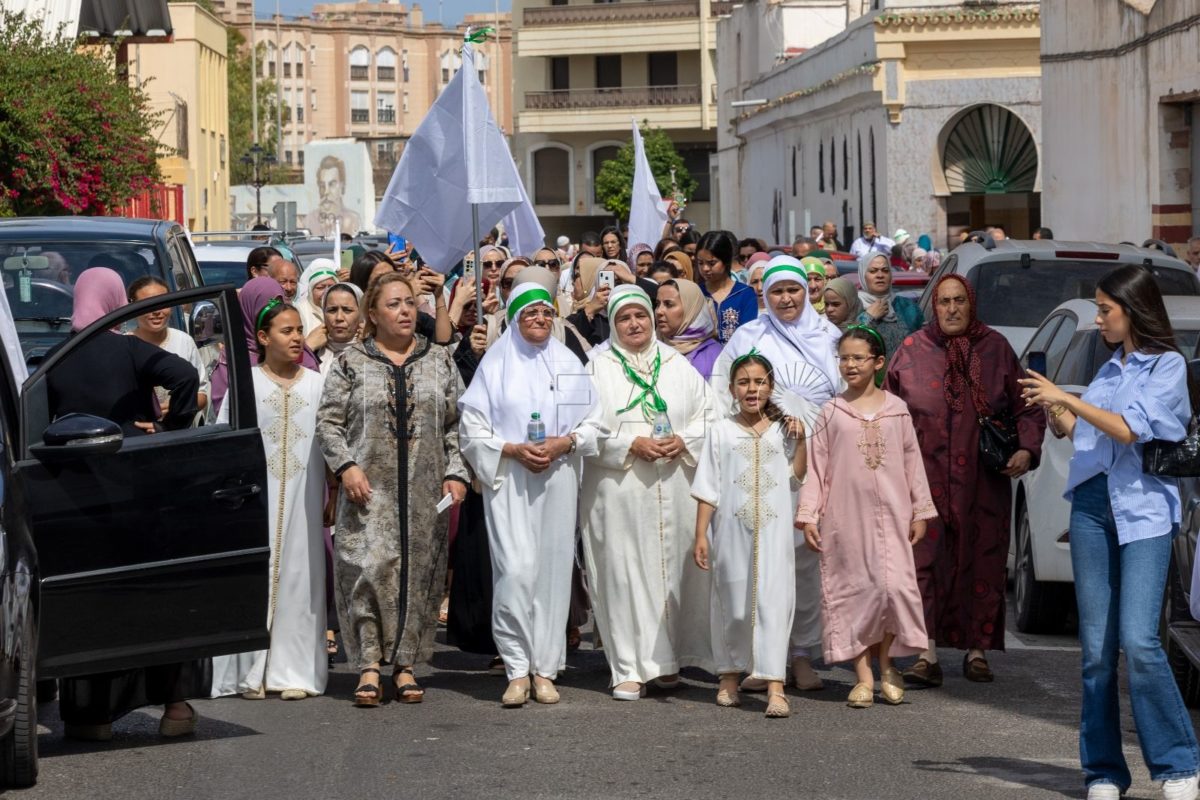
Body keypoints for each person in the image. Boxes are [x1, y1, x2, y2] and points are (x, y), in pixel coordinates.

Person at [1019, 264, 1200, 800]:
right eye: (1097, 309)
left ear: (1133, 309)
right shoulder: (1108, 368)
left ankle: (1177, 766)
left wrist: (1069, 398)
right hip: (1093, 509)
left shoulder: (1166, 366)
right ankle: (1102, 772)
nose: (1098, 320)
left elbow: (1128, 430)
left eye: (1105, 310)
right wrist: (1058, 411)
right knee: (1096, 651)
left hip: (1143, 511)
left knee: (1141, 642)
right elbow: (1091, 437)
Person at [49, 267, 203, 741]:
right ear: (117, 301)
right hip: (139, 490)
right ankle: (175, 708)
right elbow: (186, 375)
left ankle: (93, 717)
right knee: (154, 595)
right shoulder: (128, 348)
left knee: (93, 602)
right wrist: (171, 430)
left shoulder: (55, 359)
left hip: (80, 499)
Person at [317, 273, 468, 706]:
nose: (405, 311)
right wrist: (345, 467)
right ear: (373, 313)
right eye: (394, 304)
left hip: (425, 494)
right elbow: (328, 422)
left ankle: (405, 665)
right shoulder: (352, 363)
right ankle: (367, 665)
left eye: (409, 303)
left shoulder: (438, 360)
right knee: (367, 571)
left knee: (417, 576)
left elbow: (459, 422)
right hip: (368, 493)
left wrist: (456, 472)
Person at [884, 274, 1044, 686]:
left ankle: (977, 650)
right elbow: (886, 411)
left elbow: (1028, 405)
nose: (952, 309)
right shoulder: (912, 350)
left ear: (971, 304)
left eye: (959, 301)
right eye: (944, 302)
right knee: (923, 565)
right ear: (933, 306)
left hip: (983, 481)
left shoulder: (995, 350)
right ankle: (925, 653)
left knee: (984, 561)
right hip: (923, 479)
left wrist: (1027, 448)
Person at [457, 282, 607, 707]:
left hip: (556, 480)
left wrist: (566, 443)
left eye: (545, 312)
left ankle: (544, 668)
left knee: (551, 573)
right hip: (509, 482)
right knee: (516, 571)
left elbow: (594, 422)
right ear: (513, 318)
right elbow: (472, 430)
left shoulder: (567, 362)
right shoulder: (495, 365)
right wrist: (510, 449)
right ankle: (516, 667)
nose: (539, 319)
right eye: (530, 313)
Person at [710, 256, 841, 691]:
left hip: (816, 457)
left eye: (794, 290)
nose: (786, 299)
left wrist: (815, 429)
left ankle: (801, 652)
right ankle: (759, 655)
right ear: (765, 293)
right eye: (778, 291)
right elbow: (722, 389)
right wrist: (762, 421)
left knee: (803, 558)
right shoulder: (750, 335)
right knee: (757, 560)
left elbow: (845, 391)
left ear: (808, 291)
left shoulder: (828, 337)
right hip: (759, 458)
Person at [581, 285, 714, 701]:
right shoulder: (594, 366)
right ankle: (627, 666)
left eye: (641, 315)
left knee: (669, 571)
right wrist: (628, 444)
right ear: (614, 323)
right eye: (624, 318)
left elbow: (711, 416)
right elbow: (583, 428)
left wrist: (684, 439)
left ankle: (665, 661)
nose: (635, 324)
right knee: (622, 573)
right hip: (617, 490)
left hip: (673, 484)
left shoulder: (676, 363)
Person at [798, 327, 937, 709]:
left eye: (858, 358)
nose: (850, 365)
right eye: (844, 358)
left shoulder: (897, 409)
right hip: (844, 518)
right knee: (855, 592)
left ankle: (887, 662)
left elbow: (912, 462)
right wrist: (809, 514)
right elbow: (817, 466)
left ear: (878, 363)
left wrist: (921, 510)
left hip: (894, 514)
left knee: (892, 590)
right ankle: (862, 675)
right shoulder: (831, 412)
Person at [211, 299, 328, 701]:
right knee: (254, 576)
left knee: (301, 575)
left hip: (306, 494)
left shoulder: (317, 383)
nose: (297, 338)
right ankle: (248, 671)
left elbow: (332, 440)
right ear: (263, 338)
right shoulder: (246, 385)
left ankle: (293, 670)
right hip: (253, 500)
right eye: (287, 331)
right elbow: (225, 442)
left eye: (299, 330)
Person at [692, 352, 805, 718]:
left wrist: (801, 440)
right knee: (733, 601)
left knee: (773, 602)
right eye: (744, 382)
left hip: (774, 533)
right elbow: (708, 487)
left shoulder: (783, 430)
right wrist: (700, 535)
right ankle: (729, 675)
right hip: (731, 532)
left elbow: (797, 475)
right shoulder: (720, 431)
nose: (752, 389)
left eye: (759, 382)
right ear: (732, 389)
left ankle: (775, 685)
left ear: (771, 388)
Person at [128, 276, 209, 419]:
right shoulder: (124, 345)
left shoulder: (184, 341)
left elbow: (202, 394)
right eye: (147, 304)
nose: (156, 311)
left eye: (163, 303)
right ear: (132, 306)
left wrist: (180, 404)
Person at [856, 253, 924, 356]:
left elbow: (924, 343)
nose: (880, 275)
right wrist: (868, 317)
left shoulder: (907, 307)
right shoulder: (853, 306)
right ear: (862, 274)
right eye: (873, 271)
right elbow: (847, 341)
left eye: (885, 271)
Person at [697, 230, 758, 343]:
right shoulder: (696, 293)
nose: (705, 268)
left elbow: (748, 335)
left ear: (726, 261)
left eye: (711, 263)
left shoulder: (745, 294)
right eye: (700, 263)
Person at [655, 278, 722, 380]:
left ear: (690, 309)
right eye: (657, 304)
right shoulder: (651, 348)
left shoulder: (715, 355)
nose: (659, 311)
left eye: (668, 304)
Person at [305, 154, 362, 237]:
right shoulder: (310, 220)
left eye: (332, 184)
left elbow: (350, 248)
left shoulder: (353, 219)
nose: (326, 192)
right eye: (322, 185)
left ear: (342, 186)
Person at [314, 281, 362, 372]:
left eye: (347, 310)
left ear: (361, 314)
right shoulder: (313, 351)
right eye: (332, 310)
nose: (339, 318)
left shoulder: (375, 352)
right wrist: (307, 350)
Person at [297, 258, 339, 338]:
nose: (326, 292)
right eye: (320, 288)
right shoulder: (300, 310)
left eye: (331, 287)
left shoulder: (343, 308)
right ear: (311, 291)